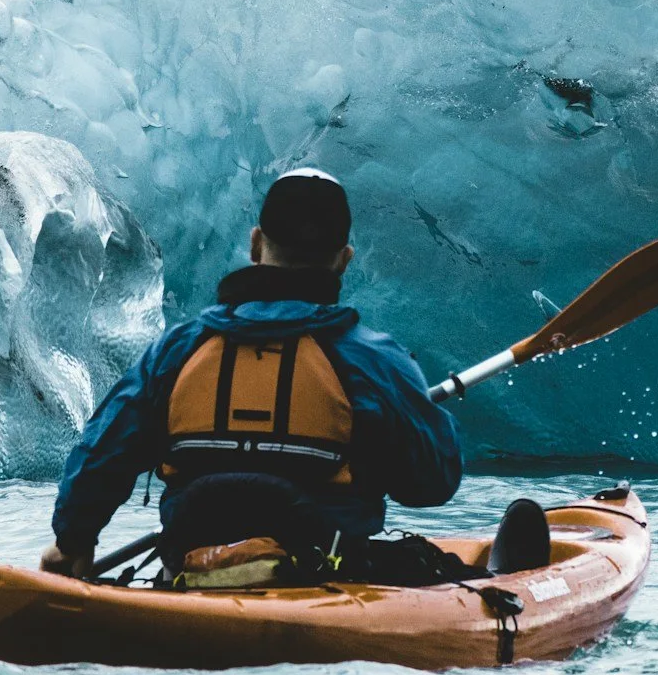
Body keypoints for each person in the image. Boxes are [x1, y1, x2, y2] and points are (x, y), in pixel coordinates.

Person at [38, 168, 547, 581]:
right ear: (344, 261)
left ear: (256, 244)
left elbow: (100, 454)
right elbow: (431, 484)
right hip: (329, 574)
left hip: (189, 567)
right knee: (459, 568)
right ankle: (506, 577)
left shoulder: (176, 353)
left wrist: (73, 544)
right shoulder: (373, 360)